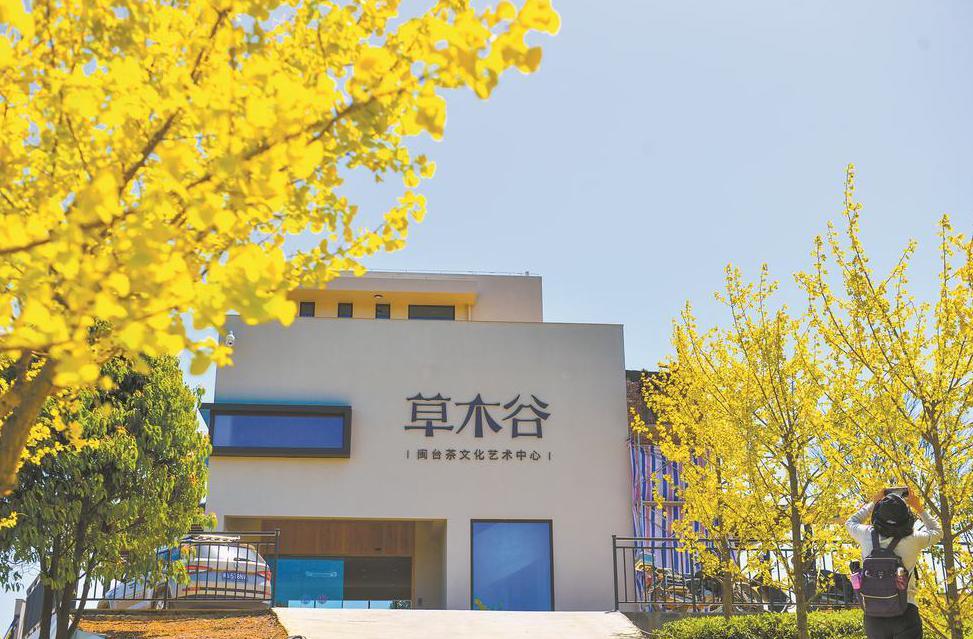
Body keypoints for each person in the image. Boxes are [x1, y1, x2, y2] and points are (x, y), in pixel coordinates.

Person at [846, 488, 943, 639]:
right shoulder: (914, 538)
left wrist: (873, 502)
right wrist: (919, 507)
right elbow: (937, 532)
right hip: (906, 610)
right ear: (906, 516)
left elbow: (850, 522)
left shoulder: (866, 534)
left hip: (874, 615)